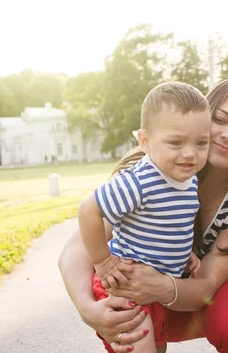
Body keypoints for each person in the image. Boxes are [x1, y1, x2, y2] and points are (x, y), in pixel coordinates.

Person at [59, 77, 228, 353]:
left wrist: (164, 285)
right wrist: (88, 309)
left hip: (195, 300)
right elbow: (77, 246)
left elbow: (208, 284)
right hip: (134, 293)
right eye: (220, 120)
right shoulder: (150, 169)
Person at [78, 82, 210, 352]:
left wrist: (182, 253)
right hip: (125, 287)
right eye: (176, 142)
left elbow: (168, 225)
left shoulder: (188, 179)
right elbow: (88, 210)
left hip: (152, 289)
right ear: (145, 141)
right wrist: (102, 262)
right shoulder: (139, 181)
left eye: (201, 143)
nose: (190, 153)